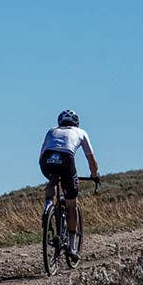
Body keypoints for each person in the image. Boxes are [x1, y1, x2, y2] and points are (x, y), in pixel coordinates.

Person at [39, 110, 100, 265]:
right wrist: (95, 175)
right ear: (76, 123)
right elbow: (91, 159)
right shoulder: (81, 132)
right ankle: (72, 247)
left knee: (53, 181)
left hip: (46, 160)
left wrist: (52, 175)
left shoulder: (51, 131)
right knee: (71, 204)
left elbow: (42, 152)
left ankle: (48, 205)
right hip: (66, 160)